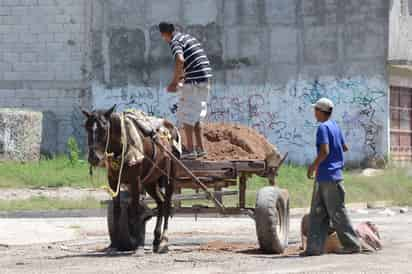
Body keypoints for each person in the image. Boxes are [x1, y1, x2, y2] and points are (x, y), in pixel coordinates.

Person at [301, 98, 361, 256]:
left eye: (315, 110)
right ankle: (314, 248)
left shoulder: (322, 128)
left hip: (328, 176)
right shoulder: (335, 126)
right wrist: (336, 157)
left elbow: (325, 151)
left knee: (337, 212)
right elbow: (345, 147)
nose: (314, 113)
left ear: (321, 112)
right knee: (317, 213)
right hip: (329, 176)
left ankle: (352, 244)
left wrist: (312, 166)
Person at [159, 22, 212, 159]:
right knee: (196, 115)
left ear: (164, 34)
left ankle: (190, 150)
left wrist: (175, 82)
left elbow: (180, 59)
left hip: (194, 81)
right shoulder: (187, 38)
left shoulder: (174, 41)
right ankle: (200, 149)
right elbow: (192, 60)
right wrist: (183, 77)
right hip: (204, 79)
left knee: (186, 114)